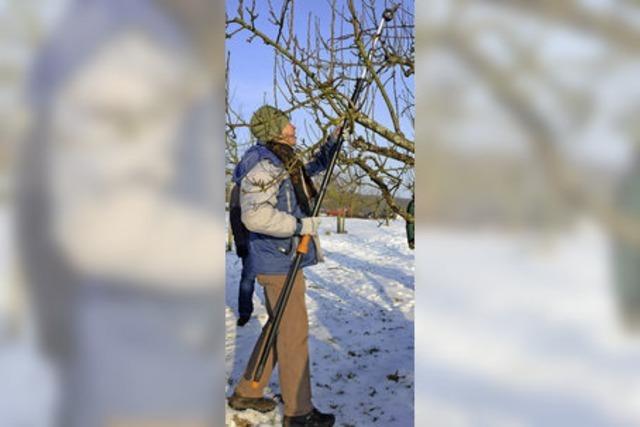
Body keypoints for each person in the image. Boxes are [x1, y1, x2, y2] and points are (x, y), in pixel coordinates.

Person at [228, 105, 337, 427]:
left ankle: (248, 391)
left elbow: (309, 170)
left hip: (283, 257)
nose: (294, 126)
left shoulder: (281, 159)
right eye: (288, 123)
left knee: (279, 326)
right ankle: (298, 412)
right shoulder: (264, 164)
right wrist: (299, 225)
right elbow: (254, 216)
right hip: (278, 260)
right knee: (293, 334)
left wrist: (332, 143)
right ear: (276, 129)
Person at [230, 182, 257, 326]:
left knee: (271, 276)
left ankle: (276, 309)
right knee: (248, 277)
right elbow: (235, 218)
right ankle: (245, 312)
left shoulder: (263, 180)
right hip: (249, 239)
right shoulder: (238, 189)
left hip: (266, 237)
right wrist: (240, 242)